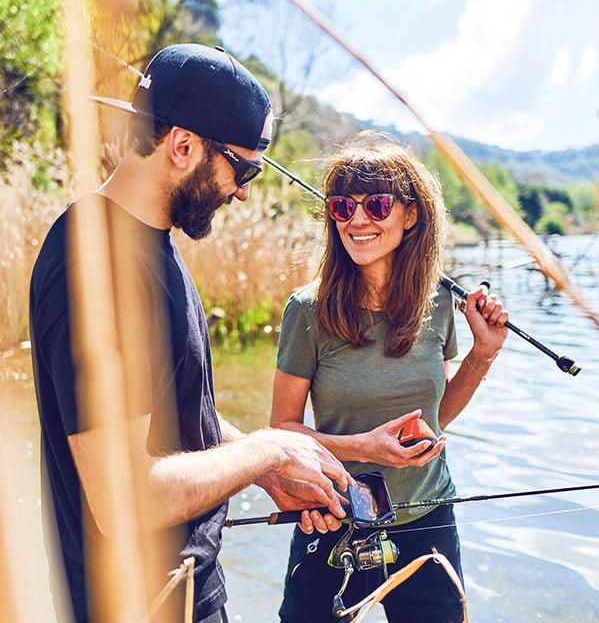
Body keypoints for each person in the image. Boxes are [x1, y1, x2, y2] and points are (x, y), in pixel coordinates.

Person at [29, 43, 352, 623]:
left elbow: (180, 416)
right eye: (244, 168)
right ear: (183, 146)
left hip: (187, 592)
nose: (245, 190)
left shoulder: (151, 245)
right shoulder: (96, 268)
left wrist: (267, 471)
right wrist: (268, 447)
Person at [270, 131, 509, 623]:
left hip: (428, 517)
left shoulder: (441, 303)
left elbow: (436, 416)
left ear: (411, 213)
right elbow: (281, 433)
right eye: (343, 207)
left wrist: (483, 354)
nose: (357, 220)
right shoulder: (307, 310)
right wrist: (363, 448)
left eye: (376, 205)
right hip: (332, 517)